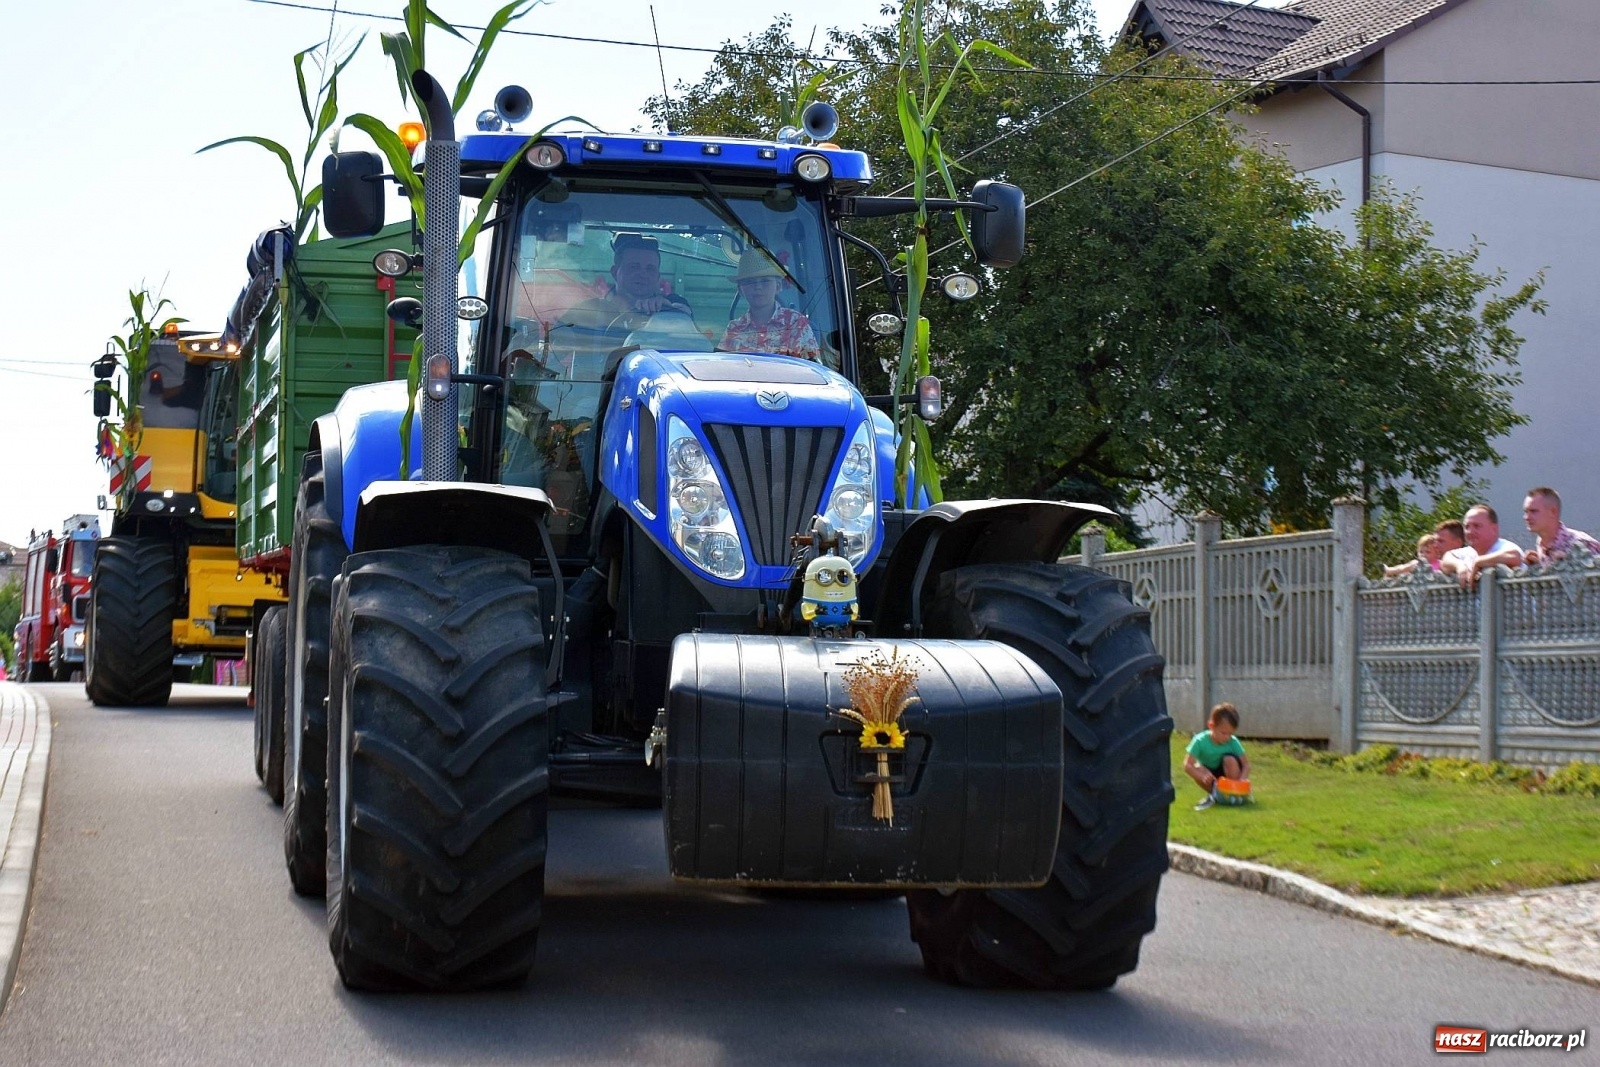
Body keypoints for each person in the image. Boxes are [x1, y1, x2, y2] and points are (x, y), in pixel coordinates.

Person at [562, 232, 693, 345]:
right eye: (634, 267)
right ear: (615, 272)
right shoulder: (586, 311)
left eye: (650, 269)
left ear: (658, 277)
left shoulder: (671, 306)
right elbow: (552, 348)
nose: (642, 274)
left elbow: (684, 312)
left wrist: (669, 312)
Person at [717, 249, 820, 361]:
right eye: (750, 282)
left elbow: (812, 371)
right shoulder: (734, 328)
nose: (758, 287)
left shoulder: (795, 323)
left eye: (765, 280)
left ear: (778, 286)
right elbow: (722, 368)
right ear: (740, 290)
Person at [1184, 702, 1250, 811]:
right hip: (1212, 775)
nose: (1227, 737)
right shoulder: (1200, 741)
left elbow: (1246, 765)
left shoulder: (1233, 742)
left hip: (1230, 772)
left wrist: (1242, 781)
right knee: (1198, 768)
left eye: (1230, 734)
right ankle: (1215, 794)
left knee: (1230, 760)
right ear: (1211, 726)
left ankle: (1234, 793)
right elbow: (1187, 764)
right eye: (1224, 733)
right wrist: (1200, 776)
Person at [1438, 504, 1523, 588]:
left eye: (1477, 526)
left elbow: (1514, 556)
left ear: (1494, 529)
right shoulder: (1469, 552)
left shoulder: (1504, 547)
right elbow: (1446, 559)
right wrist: (1460, 566)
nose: (1470, 532)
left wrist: (1478, 562)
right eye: (1467, 527)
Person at [1521, 486, 1600, 566]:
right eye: (1526, 512)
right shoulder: (1542, 544)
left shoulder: (1582, 543)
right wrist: (1537, 568)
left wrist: (1571, 564)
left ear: (1553, 512)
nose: (1526, 517)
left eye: (1533, 511)